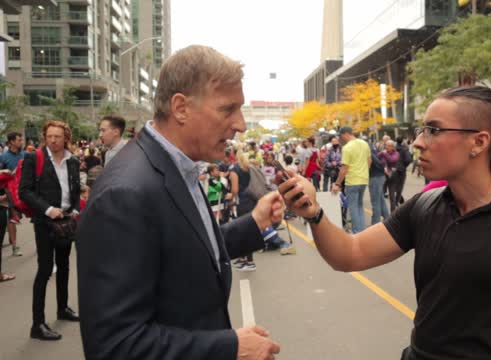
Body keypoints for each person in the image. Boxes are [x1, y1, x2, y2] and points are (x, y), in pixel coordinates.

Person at [280, 86, 491, 359]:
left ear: (479, 141)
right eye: (421, 130)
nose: (418, 142)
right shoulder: (425, 205)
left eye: (434, 130)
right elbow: (350, 254)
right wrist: (314, 213)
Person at [77, 45, 282, 360]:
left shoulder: (178, 166)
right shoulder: (125, 194)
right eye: (228, 109)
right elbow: (115, 345)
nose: (240, 124)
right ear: (181, 108)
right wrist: (230, 347)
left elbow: (189, 250)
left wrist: (255, 222)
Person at [19, 121, 81, 341]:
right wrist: (47, 209)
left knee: (64, 266)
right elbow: (24, 191)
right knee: (45, 270)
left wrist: (74, 208)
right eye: (50, 136)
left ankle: (62, 308)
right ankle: (38, 324)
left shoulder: (72, 160)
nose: (53, 140)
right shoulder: (33, 158)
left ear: (66, 138)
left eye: (58, 136)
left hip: (65, 222)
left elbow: (74, 189)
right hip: (44, 223)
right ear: (45, 137)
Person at [331, 126, 370, 233]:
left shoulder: (347, 148)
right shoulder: (364, 143)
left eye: (340, 136)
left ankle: (357, 233)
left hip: (352, 181)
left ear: (345, 134)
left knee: (353, 209)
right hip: (363, 179)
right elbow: (369, 161)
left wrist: (337, 183)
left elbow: (344, 168)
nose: (340, 139)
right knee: (359, 207)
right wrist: (363, 172)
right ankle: (362, 232)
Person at [0, 132, 25, 256]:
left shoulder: (24, 155)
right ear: (11, 142)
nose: (21, 142)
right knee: (12, 218)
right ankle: (14, 246)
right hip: (10, 192)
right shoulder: (3, 157)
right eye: (19, 140)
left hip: (26, 191)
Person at [368, 140, 389, 225]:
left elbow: (379, 163)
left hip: (375, 178)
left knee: (375, 202)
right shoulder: (373, 151)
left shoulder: (370, 153)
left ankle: (375, 223)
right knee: (380, 200)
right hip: (378, 177)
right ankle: (388, 220)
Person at [378, 140, 402, 212]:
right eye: (386, 145)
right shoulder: (384, 153)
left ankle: (393, 212)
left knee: (392, 195)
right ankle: (382, 211)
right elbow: (377, 157)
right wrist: (384, 165)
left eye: (388, 146)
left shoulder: (396, 153)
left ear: (392, 147)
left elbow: (392, 160)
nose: (386, 147)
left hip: (392, 177)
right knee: (380, 194)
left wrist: (384, 154)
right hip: (383, 176)